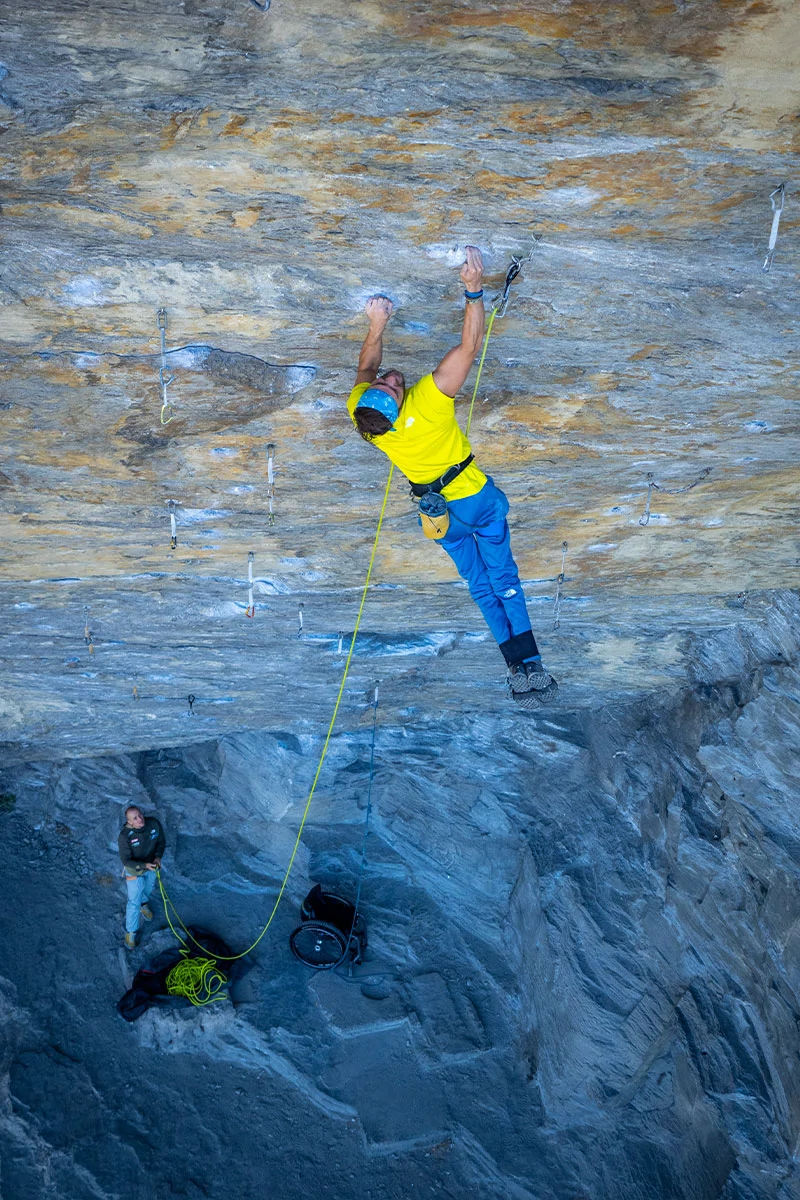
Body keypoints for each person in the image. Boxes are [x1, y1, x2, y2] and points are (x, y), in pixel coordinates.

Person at [347, 246, 557, 710]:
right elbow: (469, 348)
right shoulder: (429, 400)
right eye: (393, 386)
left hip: (442, 519)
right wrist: (473, 289)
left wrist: (377, 325)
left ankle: (519, 668)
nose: (391, 378)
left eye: (386, 382)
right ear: (399, 403)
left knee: (482, 586)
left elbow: (364, 368)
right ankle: (529, 663)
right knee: (503, 580)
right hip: (470, 502)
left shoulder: (364, 417)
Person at [118, 806, 166, 949]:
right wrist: (144, 865)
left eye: (140, 815)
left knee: (149, 888)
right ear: (129, 822)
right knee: (133, 902)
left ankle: (143, 905)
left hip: (151, 865)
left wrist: (158, 857)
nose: (140, 819)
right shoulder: (125, 837)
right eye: (135, 818)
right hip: (135, 871)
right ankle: (131, 933)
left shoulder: (153, 824)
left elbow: (161, 841)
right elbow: (126, 861)